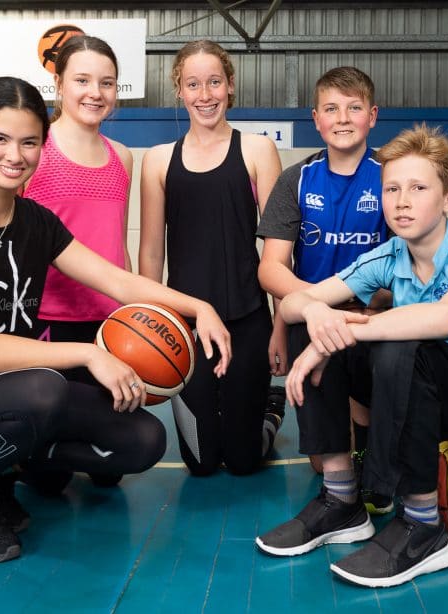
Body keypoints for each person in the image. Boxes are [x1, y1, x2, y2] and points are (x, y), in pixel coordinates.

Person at [0, 76, 231, 563]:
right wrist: (89, 354)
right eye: (0, 138)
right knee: (45, 386)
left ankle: (5, 469)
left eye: (29, 142)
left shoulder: (37, 222)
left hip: (15, 393)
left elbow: (117, 281)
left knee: (142, 439)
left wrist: (199, 307)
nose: (15, 155)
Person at [262, 124, 448, 587]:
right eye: (392, 189)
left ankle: (423, 527)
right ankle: (341, 500)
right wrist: (318, 317)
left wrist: (342, 330)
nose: (402, 201)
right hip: (424, 396)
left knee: (399, 339)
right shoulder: (388, 256)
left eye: (418, 188)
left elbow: (447, 318)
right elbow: (292, 303)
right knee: (316, 321)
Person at [139, 39, 284, 477]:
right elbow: (151, 252)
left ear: (230, 85)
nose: (205, 95)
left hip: (247, 319)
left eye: (214, 82)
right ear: (179, 90)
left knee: (242, 462)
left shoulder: (258, 150)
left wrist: (281, 326)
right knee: (201, 463)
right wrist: (149, 326)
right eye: (193, 84)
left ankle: (269, 411)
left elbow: (279, 249)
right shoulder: (158, 160)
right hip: (185, 328)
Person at [255, 66, 392, 516]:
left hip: (374, 316)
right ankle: (344, 440)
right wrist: (287, 320)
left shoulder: (391, 177)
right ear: (316, 119)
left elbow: (411, 266)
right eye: (331, 109)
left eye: (354, 108)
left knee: (383, 377)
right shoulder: (296, 179)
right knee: (321, 462)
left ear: (373, 115)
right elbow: (272, 268)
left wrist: (370, 308)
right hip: (315, 315)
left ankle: (367, 434)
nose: (343, 118)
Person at [23, 35, 134, 488]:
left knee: (111, 473)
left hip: (107, 326)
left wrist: (132, 315)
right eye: (82, 80)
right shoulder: (34, 150)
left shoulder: (122, 157)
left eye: (106, 83)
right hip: (48, 322)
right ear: (58, 84)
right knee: (49, 484)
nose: (95, 92)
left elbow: (118, 243)